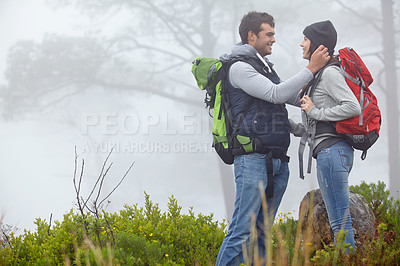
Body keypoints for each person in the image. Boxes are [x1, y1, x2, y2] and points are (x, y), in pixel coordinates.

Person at [215, 11, 330, 265]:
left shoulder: (264, 67)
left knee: (263, 232)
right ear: (251, 35)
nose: (274, 39)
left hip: (276, 162)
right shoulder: (239, 68)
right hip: (252, 161)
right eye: (269, 34)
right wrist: (311, 68)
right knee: (242, 231)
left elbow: (285, 98)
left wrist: (328, 89)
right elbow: (276, 94)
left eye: (274, 34)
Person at [296, 20, 361, 252]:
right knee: (338, 223)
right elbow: (319, 121)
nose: (301, 44)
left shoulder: (330, 73)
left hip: (333, 152)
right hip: (331, 152)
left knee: (339, 223)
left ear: (316, 44)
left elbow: (353, 107)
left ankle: (347, 259)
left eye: (305, 39)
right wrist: (298, 127)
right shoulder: (318, 76)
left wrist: (315, 112)